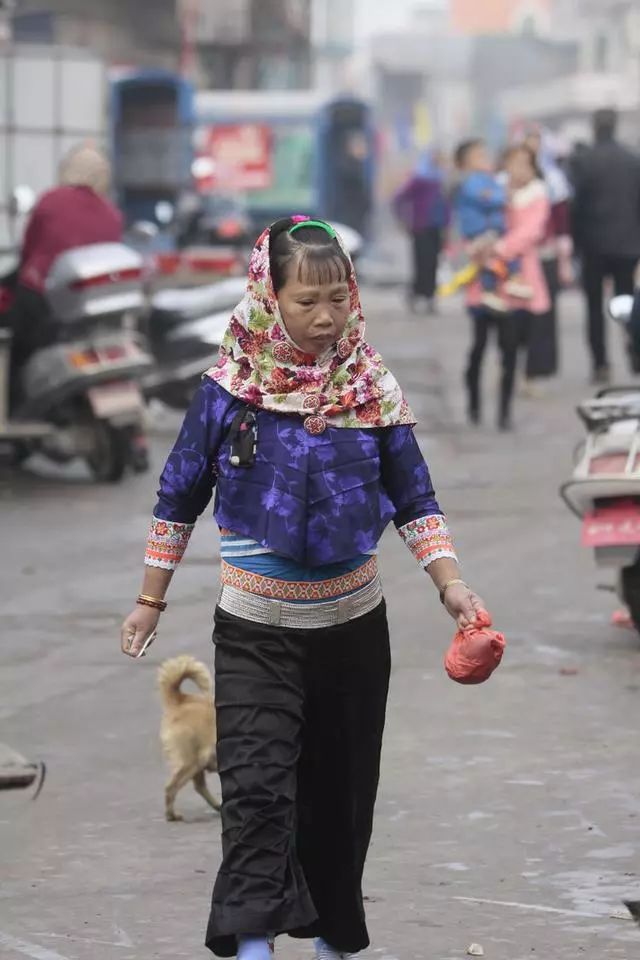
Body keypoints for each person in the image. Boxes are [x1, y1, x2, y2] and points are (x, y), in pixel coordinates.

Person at [120, 216, 484, 960]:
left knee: (340, 800)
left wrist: (450, 584)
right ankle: (254, 945)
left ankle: (332, 943)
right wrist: (150, 599)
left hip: (353, 633)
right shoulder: (229, 391)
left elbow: (414, 499)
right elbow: (178, 496)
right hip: (256, 632)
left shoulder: (372, 386)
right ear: (268, 296)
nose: (325, 318)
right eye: (306, 301)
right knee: (254, 793)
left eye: (337, 300)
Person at [5, 143, 123, 397]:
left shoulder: (51, 200)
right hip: (89, 312)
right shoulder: (112, 215)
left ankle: (11, 403)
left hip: (40, 301)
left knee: (12, 346)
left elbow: (28, 253)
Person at [465, 145, 550, 430]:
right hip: (483, 282)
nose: (520, 170)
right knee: (478, 347)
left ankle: (504, 412)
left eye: (526, 164)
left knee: (510, 350)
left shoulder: (537, 196)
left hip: (516, 285)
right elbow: (469, 220)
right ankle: (473, 405)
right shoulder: (489, 190)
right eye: (514, 163)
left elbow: (531, 232)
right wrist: (476, 247)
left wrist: (498, 248)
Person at [572, 108, 640, 383]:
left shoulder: (583, 161)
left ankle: (600, 363)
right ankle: (635, 351)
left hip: (593, 245)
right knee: (628, 304)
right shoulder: (632, 159)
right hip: (628, 245)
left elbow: (575, 208)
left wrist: (576, 244)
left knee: (594, 307)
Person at [454, 139, 531, 314]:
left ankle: (501, 285)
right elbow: (489, 197)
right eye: (479, 156)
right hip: (482, 231)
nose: (484, 159)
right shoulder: (471, 181)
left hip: (490, 230)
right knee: (492, 259)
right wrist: (504, 196)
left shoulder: (486, 178)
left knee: (496, 259)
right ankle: (495, 288)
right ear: (466, 162)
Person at [523, 127, 574, 389]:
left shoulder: (553, 178)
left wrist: (564, 254)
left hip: (547, 253)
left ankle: (540, 368)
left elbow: (562, 219)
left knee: (545, 312)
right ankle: (520, 366)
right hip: (519, 255)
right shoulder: (510, 179)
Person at [393, 150, 449, 313]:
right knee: (422, 263)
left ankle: (430, 297)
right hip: (421, 227)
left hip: (437, 227)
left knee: (433, 263)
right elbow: (399, 198)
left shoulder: (441, 180)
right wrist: (403, 219)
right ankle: (417, 293)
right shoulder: (419, 179)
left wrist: (447, 224)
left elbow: (446, 205)